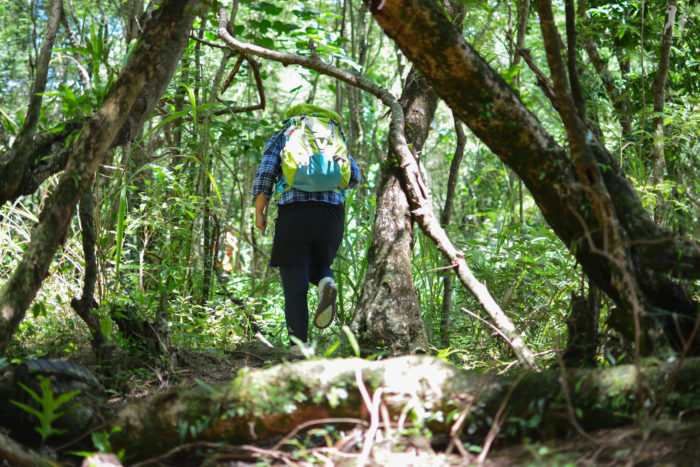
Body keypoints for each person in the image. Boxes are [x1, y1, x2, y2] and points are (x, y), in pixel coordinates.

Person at [251, 104, 361, 352]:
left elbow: (266, 174)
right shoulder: (333, 136)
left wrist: (260, 212)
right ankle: (325, 282)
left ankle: (298, 347)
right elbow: (354, 177)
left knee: (294, 283)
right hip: (332, 216)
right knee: (319, 264)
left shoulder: (286, 135)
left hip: (295, 214)